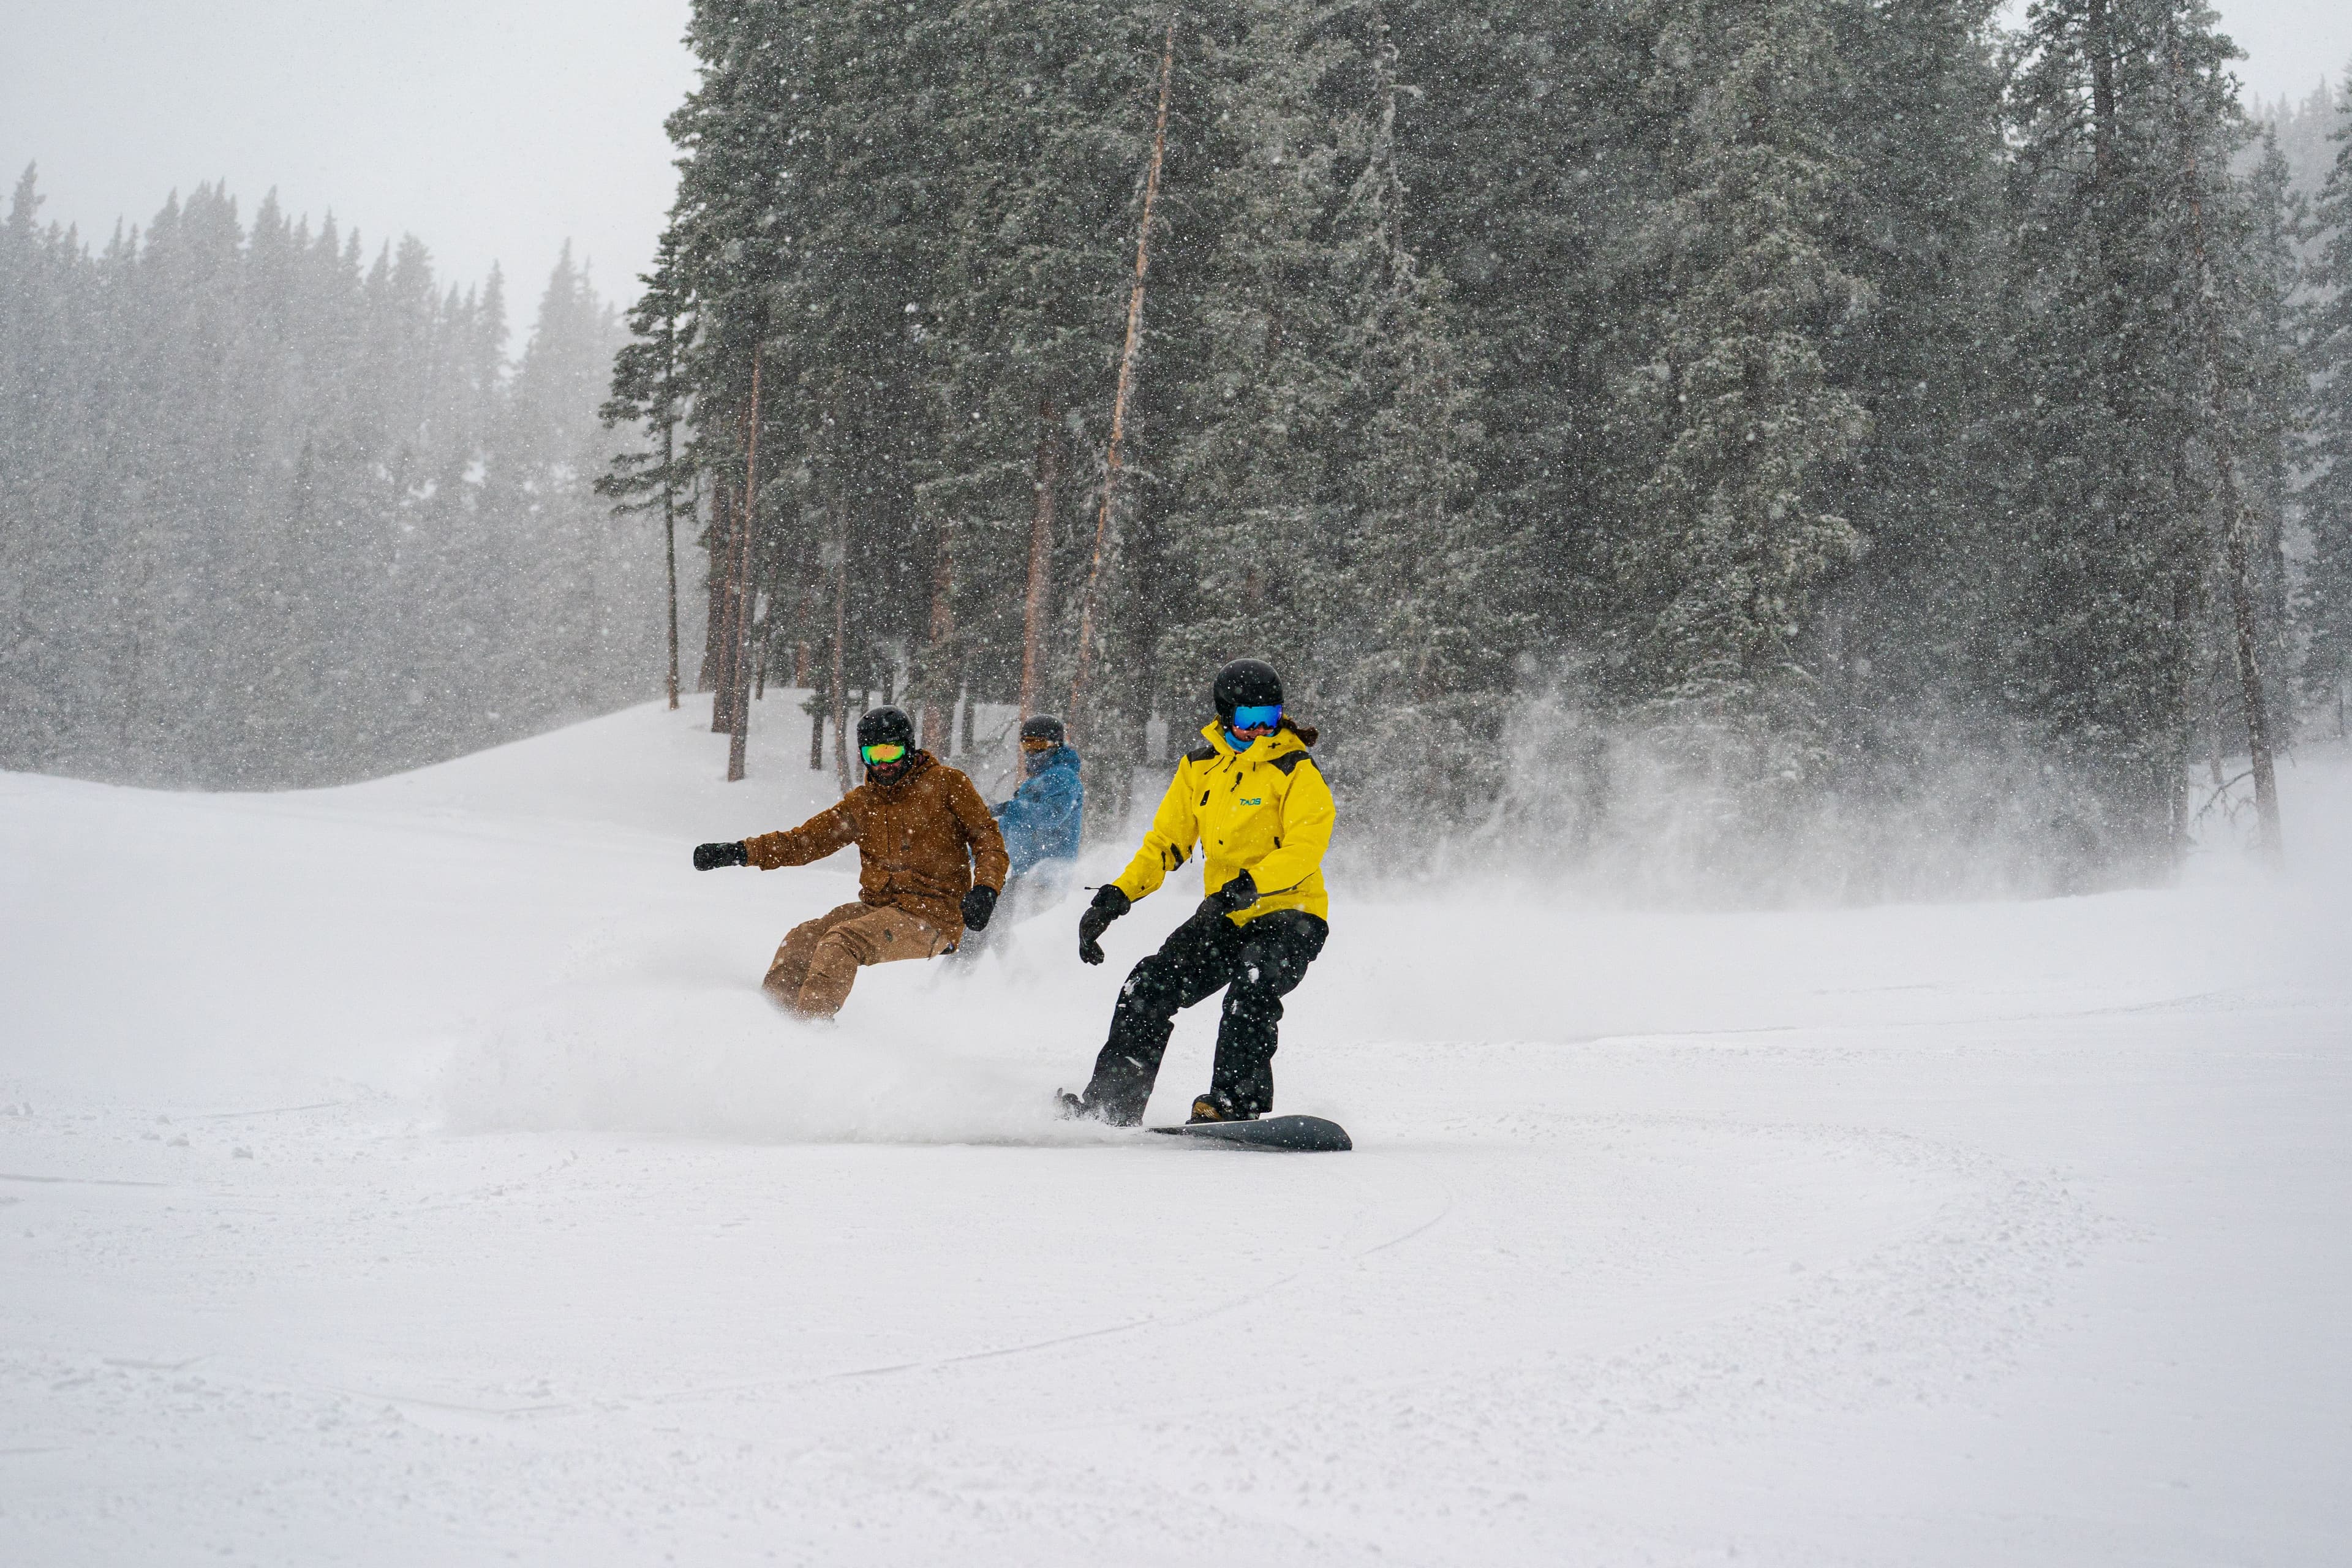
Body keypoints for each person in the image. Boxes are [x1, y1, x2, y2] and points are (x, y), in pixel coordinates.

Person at [1058, 658, 1335, 1125]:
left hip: (1291, 911)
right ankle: (1111, 1106)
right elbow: (1166, 844)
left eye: (1271, 718)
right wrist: (1116, 897)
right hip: (1227, 913)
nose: (1262, 731)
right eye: (1250, 720)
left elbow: (1305, 848)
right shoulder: (1199, 768)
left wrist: (1249, 886)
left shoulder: (1295, 770)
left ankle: (1232, 1103)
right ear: (1226, 717)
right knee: (1149, 985)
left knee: (1252, 985)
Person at [692, 706, 1009, 1019]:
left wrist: (986, 889)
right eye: (873, 756)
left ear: (909, 748)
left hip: (934, 915)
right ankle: (774, 1020)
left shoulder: (947, 785)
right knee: (803, 938)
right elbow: (804, 843)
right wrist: (739, 852)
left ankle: (811, 1032)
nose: (883, 765)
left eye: (890, 753)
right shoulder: (863, 804)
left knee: (841, 942)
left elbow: (989, 840)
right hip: (879, 908)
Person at [953, 715, 1084, 963]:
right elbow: (1010, 832)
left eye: (1039, 746)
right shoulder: (1038, 782)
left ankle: (946, 989)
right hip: (1028, 880)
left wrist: (1010, 808)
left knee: (981, 925)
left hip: (1047, 881)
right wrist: (968, 855)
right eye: (1027, 746)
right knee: (991, 925)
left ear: (1055, 745)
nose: (1032, 753)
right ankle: (1023, 983)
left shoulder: (1063, 778)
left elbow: (1052, 815)